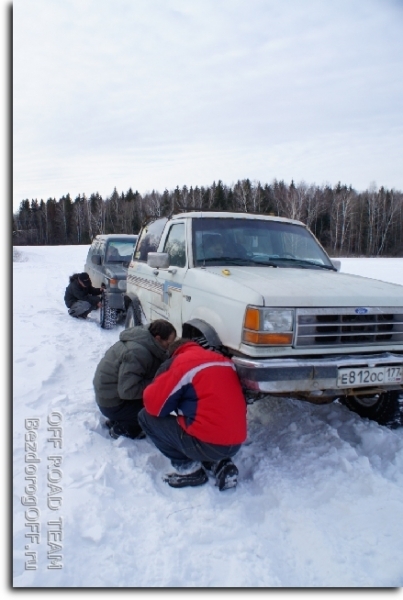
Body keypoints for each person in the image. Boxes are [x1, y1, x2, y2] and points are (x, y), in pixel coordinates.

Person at [138, 338, 247, 491]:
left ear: (174, 353)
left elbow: (154, 406)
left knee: (146, 417)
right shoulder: (223, 361)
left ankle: (189, 469)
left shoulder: (181, 363)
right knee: (205, 417)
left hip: (209, 443)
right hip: (235, 441)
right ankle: (221, 463)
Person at [93, 320, 177, 440]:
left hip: (110, 396)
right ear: (158, 338)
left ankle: (122, 418)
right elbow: (128, 391)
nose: (169, 347)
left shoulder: (143, 339)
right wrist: (157, 384)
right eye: (168, 343)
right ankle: (124, 428)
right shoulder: (138, 353)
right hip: (111, 403)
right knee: (156, 407)